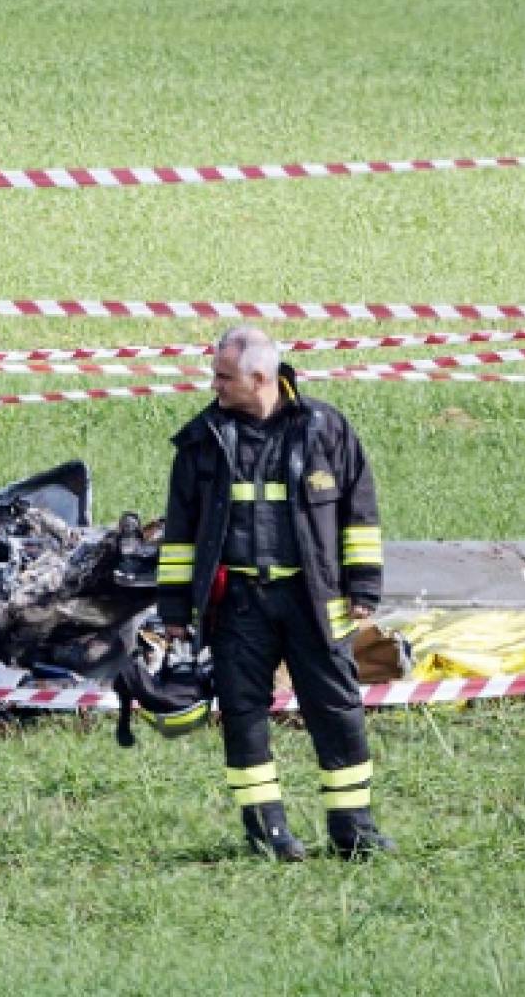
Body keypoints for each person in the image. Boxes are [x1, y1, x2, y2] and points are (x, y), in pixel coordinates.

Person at [155, 326, 395, 860]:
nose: (213, 386)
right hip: (240, 604)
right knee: (242, 714)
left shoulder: (326, 429)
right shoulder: (203, 440)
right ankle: (268, 832)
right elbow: (180, 534)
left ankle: (353, 828)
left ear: (260, 378)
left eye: (223, 377)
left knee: (337, 710)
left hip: (316, 600)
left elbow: (360, 513)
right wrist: (174, 609)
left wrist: (364, 588)